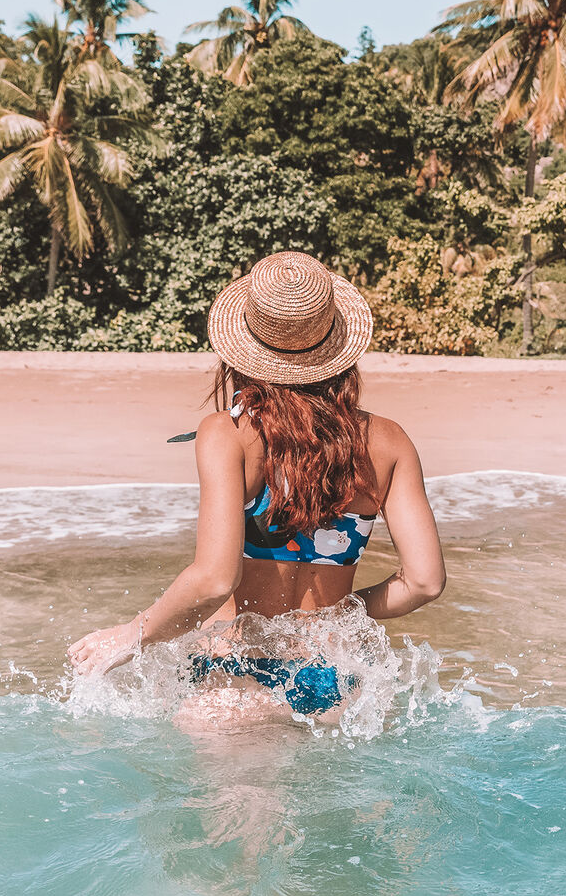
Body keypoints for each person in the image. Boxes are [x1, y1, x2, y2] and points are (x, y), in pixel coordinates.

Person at [67, 251, 447, 719]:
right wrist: (344, 610)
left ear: (244, 348)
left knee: (236, 794)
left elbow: (213, 579)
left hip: (232, 673)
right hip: (334, 673)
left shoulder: (227, 435)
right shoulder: (388, 441)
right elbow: (424, 582)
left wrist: (130, 634)